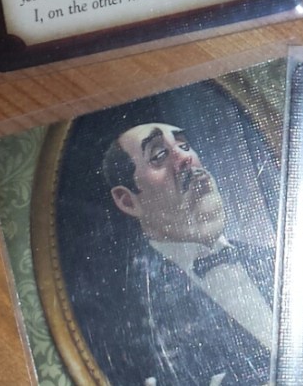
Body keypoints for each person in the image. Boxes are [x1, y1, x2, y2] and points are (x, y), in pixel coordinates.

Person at [99, 121, 274, 385]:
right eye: (159, 155)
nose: (185, 158)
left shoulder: (273, 260)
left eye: (184, 145)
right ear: (128, 201)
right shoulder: (131, 319)